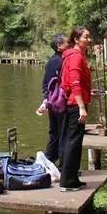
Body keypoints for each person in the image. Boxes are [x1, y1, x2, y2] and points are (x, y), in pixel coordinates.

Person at [59, 26, 92, 192]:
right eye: (86, 37)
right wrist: (81, 107)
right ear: (76, 39)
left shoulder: (75, 55)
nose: (89, 39)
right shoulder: (76, 56)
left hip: (74, 102)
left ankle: (72, 178)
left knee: (73, 141)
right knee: (73, 141)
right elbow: (74, 82)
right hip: (75, 104)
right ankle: (67, 181)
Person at [36, 33, 69, 162]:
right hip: (59, 102)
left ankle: (50, 160)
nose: (70, 44)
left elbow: (45, 83)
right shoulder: (59, 61)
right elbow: (53, 83)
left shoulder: (53, 61)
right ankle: (62, 164)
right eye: (68, 42)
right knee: (61, 134)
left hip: (53, 101)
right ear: (59, 46)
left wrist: (47, 99)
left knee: (55, 133)